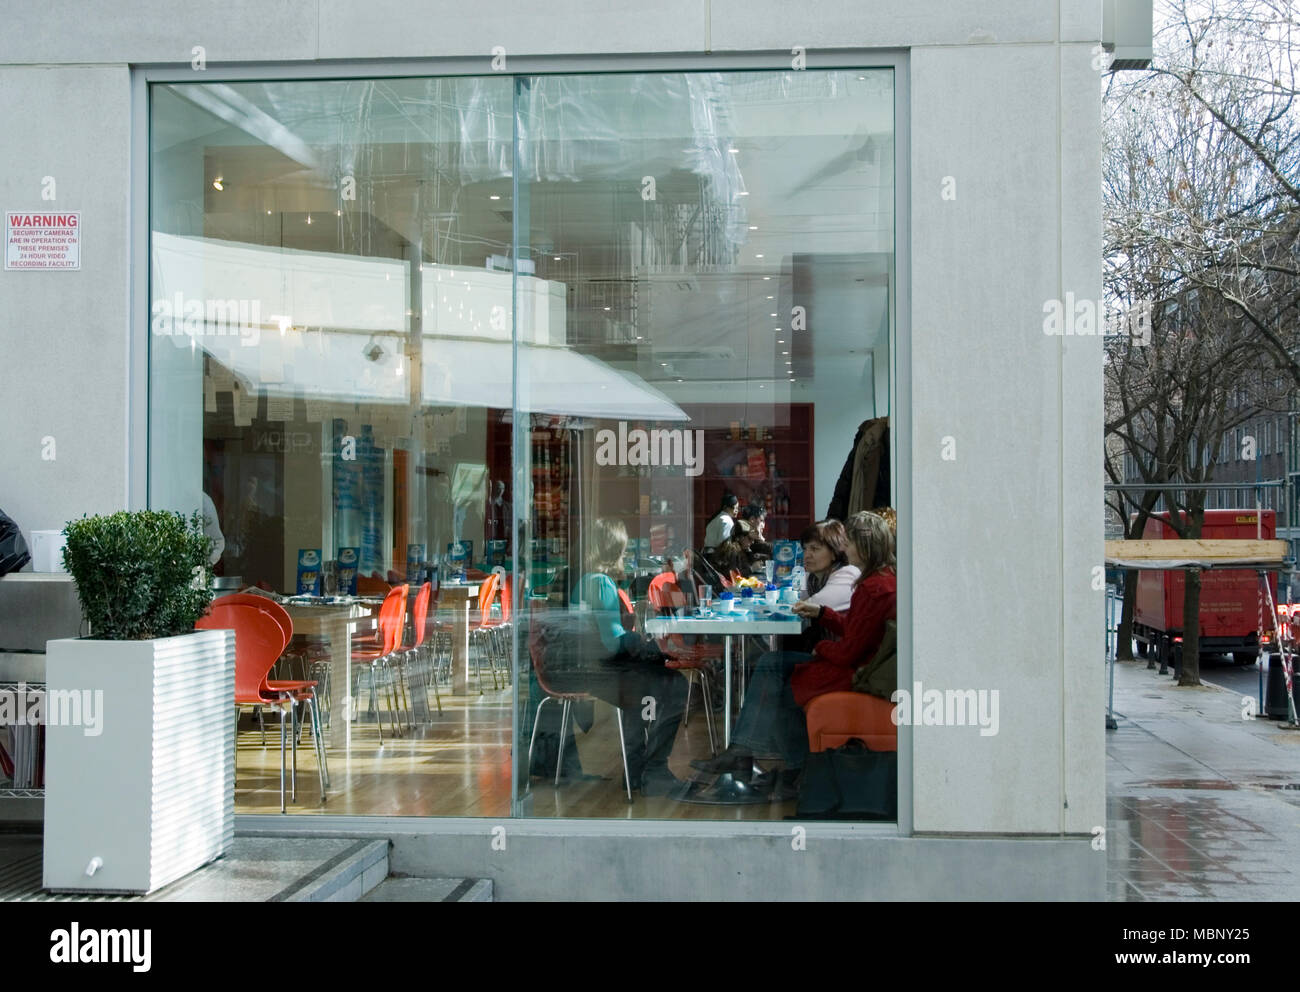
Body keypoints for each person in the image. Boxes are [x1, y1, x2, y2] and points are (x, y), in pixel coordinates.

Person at [692, 511, 897, 801]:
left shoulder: (869, 587)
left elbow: (849, 650)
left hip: (856, 673)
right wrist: (823, 614)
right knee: (771, 668)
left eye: (848, 543)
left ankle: (765, 761)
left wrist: (820, 648)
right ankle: (762, 761)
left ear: (863, 546)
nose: (845, 549)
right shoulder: (881, 581)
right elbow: (857, 631)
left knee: (775, 686)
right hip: (864, 667)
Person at [542, 518, 691, 798]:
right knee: (675, 685)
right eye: (621, 550)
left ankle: (638, 771)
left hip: (579, 667)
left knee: (645, 692)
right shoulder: (600, 584)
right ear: (612, 551)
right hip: (599, 671)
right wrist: (642, 642)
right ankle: (654, 770)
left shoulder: (577, 577)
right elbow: (612, 644)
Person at [783, 519, 859, 652]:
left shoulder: (847, 575)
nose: (807, 555)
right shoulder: (814, 578)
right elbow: (792, 598)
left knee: (770, 662)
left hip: (842, 656)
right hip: (825, 650)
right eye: (805, 549)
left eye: (815, 549)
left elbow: (808, 606)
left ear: (834, 552)